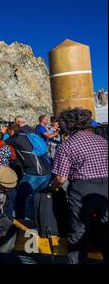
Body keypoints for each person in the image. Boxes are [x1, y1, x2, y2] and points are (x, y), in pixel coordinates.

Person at [50, 108, 108, 264]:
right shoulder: (102, 140)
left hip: (83, 190)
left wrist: (53, 186)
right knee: (105, 229)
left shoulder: (67, 145)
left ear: (66, 126)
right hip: (106, 189)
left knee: (80, 232)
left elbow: (61, 178)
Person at [5, 124, 51, 220]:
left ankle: (21, 220)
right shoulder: (27, 136)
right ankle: (41, 220)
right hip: (47, 171)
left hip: (34, 173)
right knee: (40, 198)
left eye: (8, 131)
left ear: (11, 131)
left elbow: (3, 142)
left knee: (20, 197)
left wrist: (2, 132)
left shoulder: (15, 140)